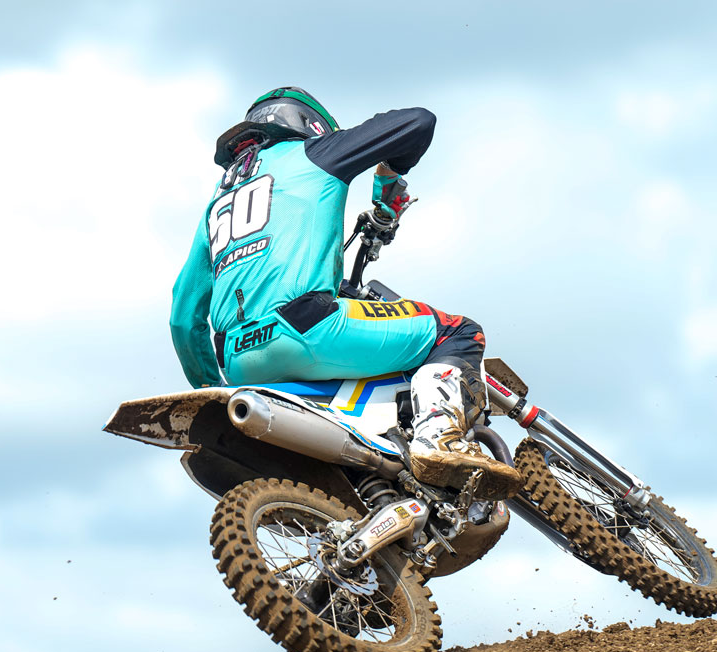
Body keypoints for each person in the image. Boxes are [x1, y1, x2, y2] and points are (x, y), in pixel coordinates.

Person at [170, 87, 520, 499]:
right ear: (310, 124)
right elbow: (418, 121)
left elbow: (184, 317)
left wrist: (215, 387)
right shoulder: (314, 153)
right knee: (458, 332)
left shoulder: (216, 205)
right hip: (308, 327)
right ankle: (438, 438)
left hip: (239, 363)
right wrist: (389, 174)